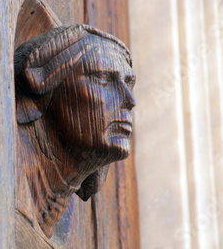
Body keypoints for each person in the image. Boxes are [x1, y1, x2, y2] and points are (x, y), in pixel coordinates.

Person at [14, 24, 136, 238]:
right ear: (49, 89)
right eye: (104, 78)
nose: (130, 101)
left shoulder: (60, 209)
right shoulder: (0, 163)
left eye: (129, 83)